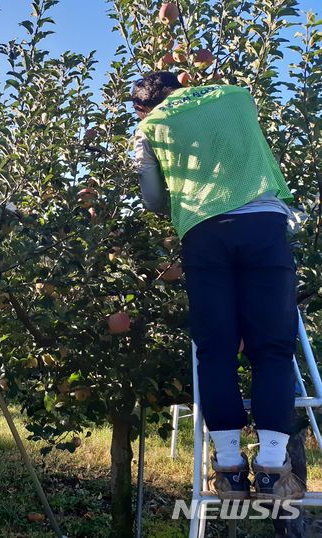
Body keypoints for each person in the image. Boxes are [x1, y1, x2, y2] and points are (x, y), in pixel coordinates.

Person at [131, 72, 305, 500]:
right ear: (183, 82)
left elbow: (153, 201)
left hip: (204, 233)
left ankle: (228, 468)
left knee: (216, 348)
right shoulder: (237, 95)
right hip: (263, 223)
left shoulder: (149, 127)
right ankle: (272, 470)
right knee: (273, 348)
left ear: (143, 106)